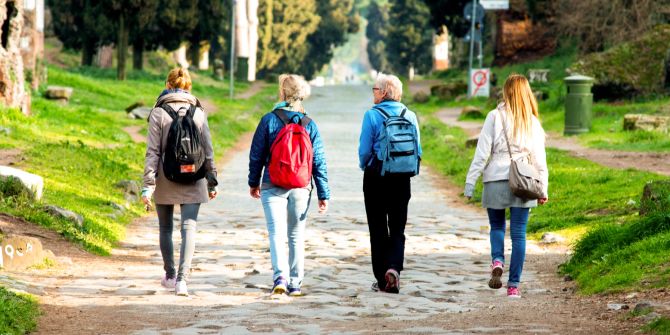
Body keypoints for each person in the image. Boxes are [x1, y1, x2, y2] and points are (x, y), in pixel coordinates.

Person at [464, 73, 549, 298]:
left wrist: (470, 182)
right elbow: (540, 161)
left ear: (506, 92)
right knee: (519, 234)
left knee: (497, 227)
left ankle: (497, 260)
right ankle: (513, 287)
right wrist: (544, 188)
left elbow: (482, 153)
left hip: (495, 179)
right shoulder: (532, 122)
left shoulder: (494, 116)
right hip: (524, 180)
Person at [248, 74, 330, 297]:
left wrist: (253, 182)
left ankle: (280, 278)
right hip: (301, 186)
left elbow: (256, 155)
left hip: (272, 183)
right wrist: (324, 193)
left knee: (276, 233)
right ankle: (295, 283)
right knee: (295, 234)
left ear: (282, 93)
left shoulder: (268, 119)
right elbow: (319, 161)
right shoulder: (309, 124)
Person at [142, 67, 218, 297]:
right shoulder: (198, 113)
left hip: (166, 176)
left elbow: (152, 152)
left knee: (165, 227)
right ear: (188, 87)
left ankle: (170, 274)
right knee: (189, 227)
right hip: (194, 176)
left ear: (168, 85)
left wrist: (148, 185)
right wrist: (212, 180)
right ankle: (183, 281)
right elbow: (207, 150)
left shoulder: (158, 113)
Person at [358, 73, 422, 294]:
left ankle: (382, 279)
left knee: (377, 228)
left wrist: (364, 164)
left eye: (375, 89)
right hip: (402, 178)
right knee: (397, 227)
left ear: (384, 92)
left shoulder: (372, 115)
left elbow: (364, 151)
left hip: (376, 176)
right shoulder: (410, 115)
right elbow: (419, 151)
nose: (373, 93)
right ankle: (394, 268)